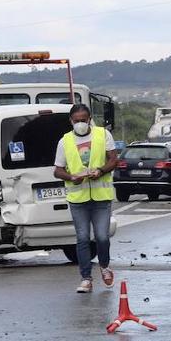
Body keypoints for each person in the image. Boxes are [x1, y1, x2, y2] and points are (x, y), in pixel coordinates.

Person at [53, 103, 119, 293]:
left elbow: (114, 159)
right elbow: (57, 170)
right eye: (76, 121)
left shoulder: (102, 134)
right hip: (78, 198)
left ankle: (105, 267)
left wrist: (101, 170)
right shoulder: (64, 141)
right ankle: (86, 278)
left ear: (90, 119)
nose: (80, 123)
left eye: (84, 120)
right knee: (82, 238)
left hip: (101, 197)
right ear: (71, 121)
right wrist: (71, 177)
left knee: (102, 237)